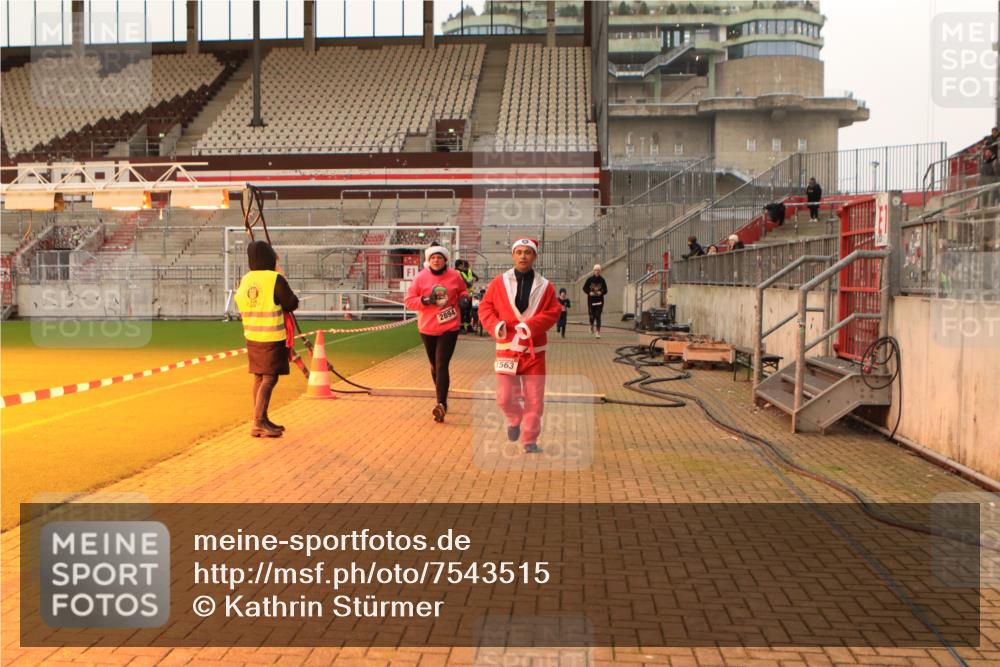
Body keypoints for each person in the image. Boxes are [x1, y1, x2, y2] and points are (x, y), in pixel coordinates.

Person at [478, 237, 563, 454]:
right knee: (505, 396)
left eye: (527, 252)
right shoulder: (499, 282)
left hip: (535, 352)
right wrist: (496, 325)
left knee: (535, 398)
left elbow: (553, 312)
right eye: (519, 252)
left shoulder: (546, 286)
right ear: (513, 255)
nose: (523, 256)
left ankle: (529, 439)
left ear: (534, 256)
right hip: (507, 349)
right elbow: (485, 308)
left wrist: (531, 326)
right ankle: (514, 418)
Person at [234, 241, 299, 438]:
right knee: (270, 377)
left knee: (260, 377)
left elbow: (239, 300)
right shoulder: (274, 278)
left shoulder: (245, 279)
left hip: (252, 335)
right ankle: (259, 422)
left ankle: (262, 418)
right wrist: (281, 276)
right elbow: (291, 303)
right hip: (271, 335)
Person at [404, 244, 468, 423]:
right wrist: (425, 300)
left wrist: (464, 298)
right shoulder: (420, 278)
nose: (436, 260)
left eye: (439, 257)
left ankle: (441, 403)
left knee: (441, 364)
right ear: (428, 260)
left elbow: (463, 290)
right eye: (433, 258)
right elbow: (409, 301)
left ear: (445, 260)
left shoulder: (455, 276)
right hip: (427, 327)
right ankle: (441, 394)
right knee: (434, 365)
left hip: (450, 326)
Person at [583, 264, 608, 339]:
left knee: (598, 316)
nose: (597, 272)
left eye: (598, 270)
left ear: (600, 271)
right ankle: (591, 325)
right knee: (592, 316)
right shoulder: (590, 279)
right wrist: (589, 292)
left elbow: (606, 290)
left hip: (599, 301)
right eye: (595, 270)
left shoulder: (602, 280)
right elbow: (584, 288)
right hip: (591, 301)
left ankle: (598, 332)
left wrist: (601, 292)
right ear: (593, 271)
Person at [455, 258, 479, 333]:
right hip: (461, 295)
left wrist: (471, 281)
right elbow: (465, 283)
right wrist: (469, 283)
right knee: (462, 311)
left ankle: (468, 326)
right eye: (462, 265)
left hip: (468, 294)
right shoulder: (457, 272)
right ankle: (461, 327)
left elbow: (476, 278)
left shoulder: (468, 271)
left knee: (468, 311)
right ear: (460, 265)